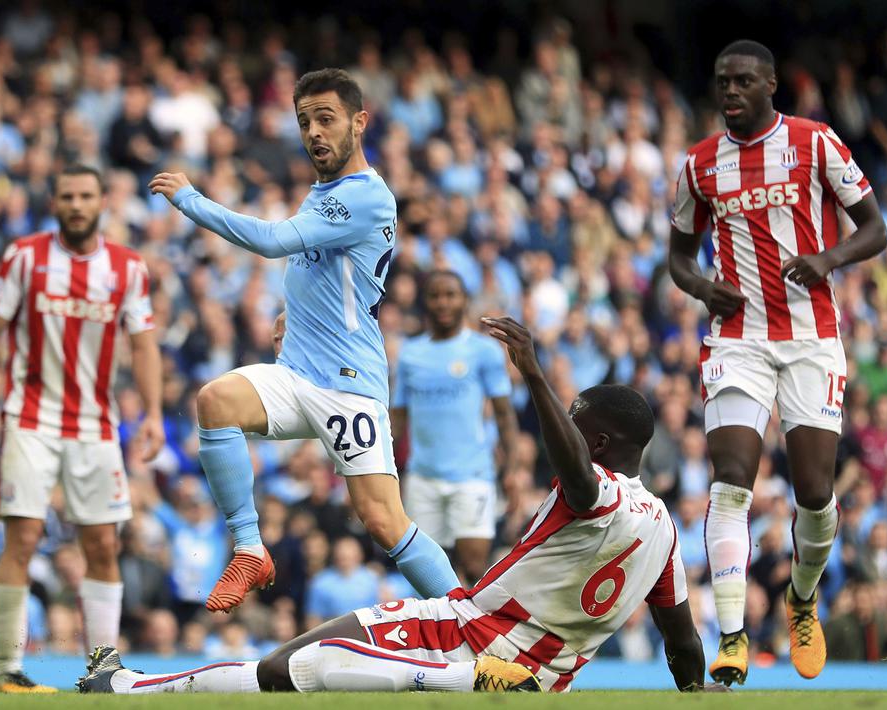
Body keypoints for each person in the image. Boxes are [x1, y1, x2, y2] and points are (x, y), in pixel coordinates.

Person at [76, 316, 721, 696]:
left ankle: (466, 680)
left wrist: (533, 374)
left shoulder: (598, 492)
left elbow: (579, 479)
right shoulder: (663, 532)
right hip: (509, 650)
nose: (561, 429)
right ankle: (129, 686)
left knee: (303, 664)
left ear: (599, 441)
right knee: (278, 669)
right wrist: (693, 696)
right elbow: (683, 642)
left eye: (573, 423)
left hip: (479, 640)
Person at [148, 68, 457, 611]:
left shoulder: (366, 196)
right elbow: (333, 270)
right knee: (215, 401)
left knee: (384, 521)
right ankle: (249, 548)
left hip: (348, 386)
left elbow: (273, 241)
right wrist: (293, 311)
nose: (314, 131)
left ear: (360, 123)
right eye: (305, 121)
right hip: (296, 372)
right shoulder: (326, 192)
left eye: (326, 119)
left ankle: (471, 618)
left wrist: (193, 200)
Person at [666, 40, 887, 685]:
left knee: (815, 492)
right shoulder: (699, 166)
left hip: (812, 337)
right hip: (736, 339)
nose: (729, 91)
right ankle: (731, 636)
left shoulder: (817, 142)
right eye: (720, 81)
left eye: (741, 81)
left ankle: (801, 599)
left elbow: (874, 227)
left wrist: (827, 260)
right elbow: (679, 256)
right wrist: (703, 287)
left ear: (770, 87)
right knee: (730, 477)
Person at [0, 165, 165, 693]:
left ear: (101, 204)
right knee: (21, 536)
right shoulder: (25, 256)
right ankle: (8, 671)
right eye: (67, 195)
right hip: (29, 418)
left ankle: (103, 668)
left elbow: (143, 345)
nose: (76, 204)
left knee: (102, 546)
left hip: (96, 424)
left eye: (86, 196)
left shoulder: (127, 268)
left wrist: (156, 414)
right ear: (54, 202)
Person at [390, 270, 520, 584]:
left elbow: (504, 414)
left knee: (475, 570)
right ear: (425, 302)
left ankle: (472, 633)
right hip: (423, 479)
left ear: (464, 300)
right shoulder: (410, 354)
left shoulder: (483, 351)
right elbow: (397, 418)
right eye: (435, 296)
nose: (443, 303)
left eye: (451, 295)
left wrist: (514, 468)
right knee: (426, 576)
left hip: (472, 476)